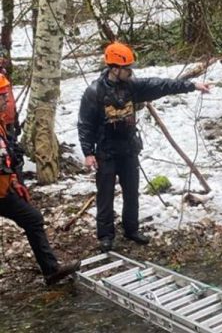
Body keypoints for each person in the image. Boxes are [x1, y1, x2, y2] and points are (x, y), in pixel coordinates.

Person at [78, 42, 210, 252]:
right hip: (106, 151)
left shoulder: (132, 86)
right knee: (105, 195)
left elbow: (161, 85)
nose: (131, 71)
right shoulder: (94, 92)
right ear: (114, 68)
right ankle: (105, 236)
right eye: (127, 68)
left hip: (129, 149)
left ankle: (131, 230)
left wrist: (192, 86)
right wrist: (88, 152)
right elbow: (85, 124)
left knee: (132, 192)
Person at [0, 74, 80, 285]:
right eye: (2, 97)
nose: (6, 101)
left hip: (4, 191)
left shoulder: (2, 126)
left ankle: (51, 270)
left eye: (6, 97)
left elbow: (6, 160)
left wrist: (15, 182)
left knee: (32, 218)